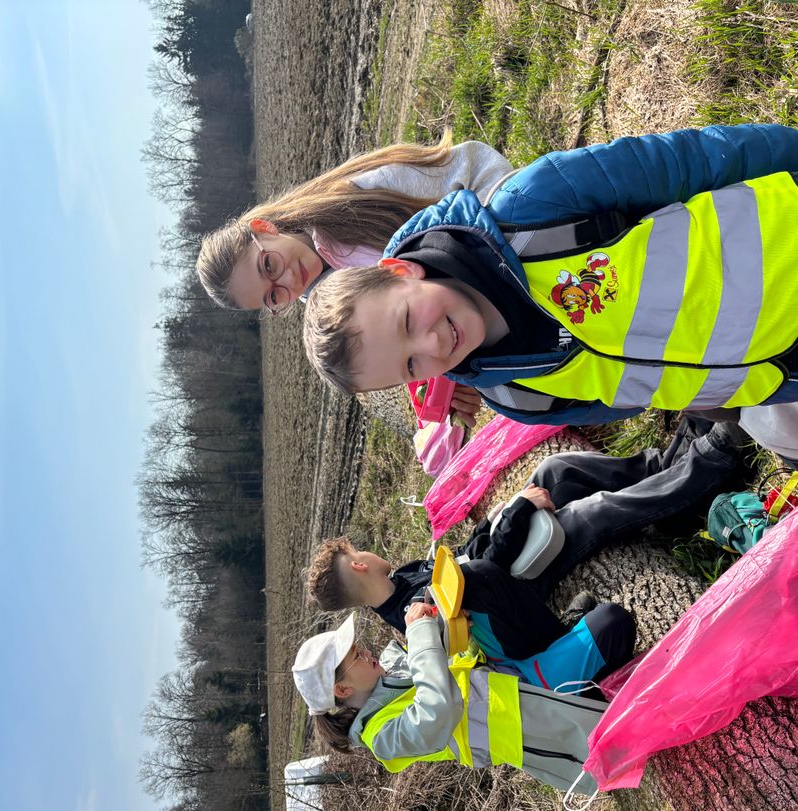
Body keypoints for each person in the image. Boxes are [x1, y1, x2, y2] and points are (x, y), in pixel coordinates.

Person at [302, 123, 798, 426]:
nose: (432, 346)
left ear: (399, 271)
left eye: (408, 322)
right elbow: (631, 399)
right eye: (411, 366)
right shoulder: (517, 396)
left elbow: (690, 161)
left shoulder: (532, 208)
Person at [307, 418, 744, 689]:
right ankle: (715, 459)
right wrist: (518, 511)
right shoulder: (414, 611)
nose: (367, 551)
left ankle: (670, 465)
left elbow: (467, 553)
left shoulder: (404, 578)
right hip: (521, 590)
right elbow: (482, 575)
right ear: (359, 564)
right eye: (359, 551)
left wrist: (501, 514)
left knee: (556, 471)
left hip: (509, 569)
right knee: (591, 514)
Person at [197, 133, 514, 426]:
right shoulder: (335, 320)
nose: (288, 280)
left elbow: (475, 166)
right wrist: (458, 372)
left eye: (268, 265)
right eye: (273, 296)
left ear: (264, 229)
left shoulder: (359, 197)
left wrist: (510, 245)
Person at [292, 607, 609, 793]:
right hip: (530, 728)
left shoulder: (389, 674)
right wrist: (420, 636)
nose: (366, 652)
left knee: (606, 627)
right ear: (342, 690)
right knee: (611, 736)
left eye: (358, 646)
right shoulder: (382, 738)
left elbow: (436, 663)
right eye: (356, 656)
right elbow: (438, 707)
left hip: (514, 684)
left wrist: (441, 622)